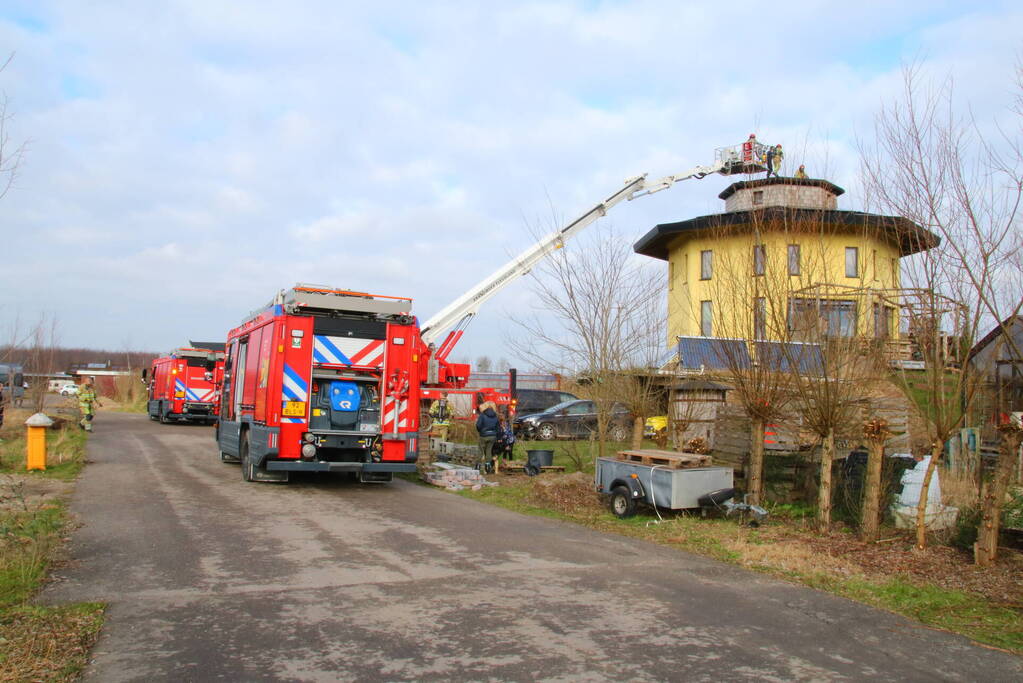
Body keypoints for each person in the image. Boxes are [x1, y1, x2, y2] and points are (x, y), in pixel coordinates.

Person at [475, 400, 499, 471]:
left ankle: (478, 466)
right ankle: (488, 466)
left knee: (481, 450)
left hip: (484, 435)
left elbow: (478, 425)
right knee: (489, 450)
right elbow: (498, 427)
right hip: (493, 436)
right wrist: (495, 433)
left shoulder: (483, 415)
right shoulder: (495, 415)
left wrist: (481, 431)